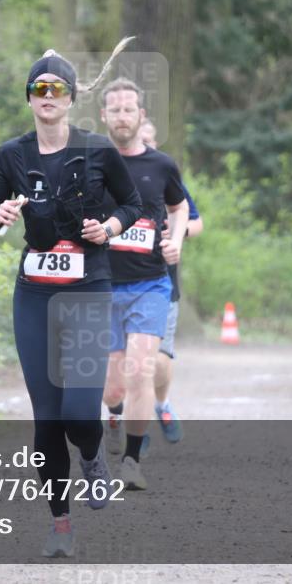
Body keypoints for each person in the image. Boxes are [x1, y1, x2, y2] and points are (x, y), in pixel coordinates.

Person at [0, 47, 142, 558]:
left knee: (78, 411)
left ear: (71, 99)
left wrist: (108, 227)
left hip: (89, 288)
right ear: (29, 98)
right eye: (39, 88)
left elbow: (133, 204)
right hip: (35, 294)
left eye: (57, 89)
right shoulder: (12, 155)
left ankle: (92, 456)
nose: (48, 97)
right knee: (47, 417)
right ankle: (61, 525)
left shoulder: (97, 151)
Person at [98, 78, 188, 491]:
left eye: (128, 109)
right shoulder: (91, 163)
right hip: (103, 286)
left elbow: (179, 205)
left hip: (150, 285)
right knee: (113, 386)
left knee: (139, 372)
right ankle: (114, 412)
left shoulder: (162, 165)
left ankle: (132, 462)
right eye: (114, 110)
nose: (121, 116)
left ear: (141, 115)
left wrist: (174, 239)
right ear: (104, 116)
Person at [106, 119, 202, 455]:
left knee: (154, 363)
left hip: (160, 283)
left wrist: (176, 235)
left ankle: (159, 407)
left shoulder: (163, 171)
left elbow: (192, 217)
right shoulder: (109, 171)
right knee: (119, 378)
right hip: (116, 284)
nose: (140, 143)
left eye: (148, 138)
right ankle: (128, 418)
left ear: (155, 141)